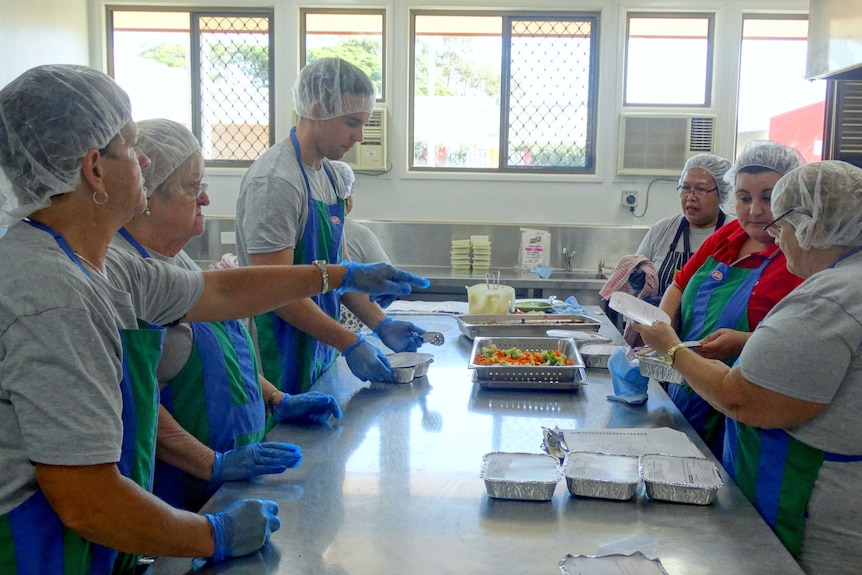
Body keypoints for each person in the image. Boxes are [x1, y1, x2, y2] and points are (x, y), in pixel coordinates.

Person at [0, 64, 427, 574]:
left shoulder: (104, 266)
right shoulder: (55, 295)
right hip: (39, 550)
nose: (143, 161)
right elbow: (86, 499)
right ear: (95, 170)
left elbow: (219, 290)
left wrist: (341, 275)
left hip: (87, 544)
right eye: (133, 149)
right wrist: (212, 533)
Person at [634, 160, 862, 575]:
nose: (774, 233)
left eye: (781, 225)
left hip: (813, 512)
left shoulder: (826, 299)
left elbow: (742, 398)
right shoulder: (847, 280)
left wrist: (671, 349)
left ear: (806, 225)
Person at [117, 118, 343, 513]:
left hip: (230, 482)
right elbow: (132, 398)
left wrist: (276, 398)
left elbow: (221, 355)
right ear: (146, 197)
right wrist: (211, 462)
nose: (204, 199)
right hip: (179, 492)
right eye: (192, 187)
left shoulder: (179, 261)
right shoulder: (127, 279)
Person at [235, 57, 427, 394]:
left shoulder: (330, 176)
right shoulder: (276, 181)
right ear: (317, 108)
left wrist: (381, 324)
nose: (359, 136)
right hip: (276, 360)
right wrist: (349, 341)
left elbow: (339, 274)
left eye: (363, 123)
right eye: (352, 122)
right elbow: (273, 291)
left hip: (318, 349)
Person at [657, 140, 805, 457]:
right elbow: (679, 285)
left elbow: (804, 343)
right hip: (688, 386)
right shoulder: (730, 234)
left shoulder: (799, 257)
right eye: (743, 197)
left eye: (769, 198)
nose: (755, 211)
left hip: (743, 408)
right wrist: (664, 325)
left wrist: (743, 341)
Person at [636, 153, 734, 294]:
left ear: (722, 194)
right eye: (685, 188)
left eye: (700, 189)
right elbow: (636, 275)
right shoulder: (662, 230)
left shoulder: (735, 232)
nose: (690, 197)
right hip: (660, 315)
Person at [329, 160, 392, 333]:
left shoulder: (337, 229)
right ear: (347, 201)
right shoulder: (360, 233)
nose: (359, 137)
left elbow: (345, 278)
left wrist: (383, 326)